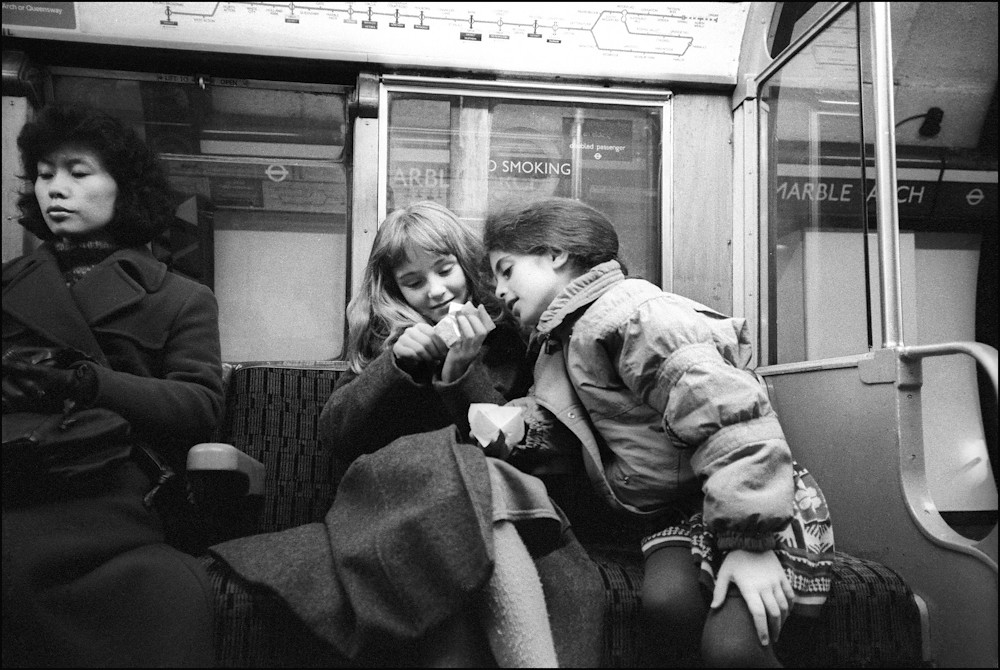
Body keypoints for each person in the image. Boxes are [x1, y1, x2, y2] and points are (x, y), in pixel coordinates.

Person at [483, 197, 836, 668]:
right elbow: (574, 425)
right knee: (668, 605)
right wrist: (516, 429)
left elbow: (729, 415)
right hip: (678, 511)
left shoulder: (633, 316)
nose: (500, 291)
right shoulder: (560, 343)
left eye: (506, 270)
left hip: (751, 498)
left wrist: (749, 545)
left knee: (732, 649)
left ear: (556, 254)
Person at [2, 104, 224, 667]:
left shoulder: (179, 298)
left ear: (121, 189)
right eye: (46, 173)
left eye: (78, 173)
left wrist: (90, 382)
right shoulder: (7, 287)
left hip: (110, 485)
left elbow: (199, 408)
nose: (57, 188)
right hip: (13, 472)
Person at [316, 201, 583, 667]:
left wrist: (463, 374)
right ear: (393, 290)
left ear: (467, 266)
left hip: (493, 505)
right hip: (398, 511)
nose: (437, 292)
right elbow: (337, 435)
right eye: (414, 282)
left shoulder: (511, 341)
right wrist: (395, 366)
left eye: (445, 270)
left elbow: (514, 451)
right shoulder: (386, 342)